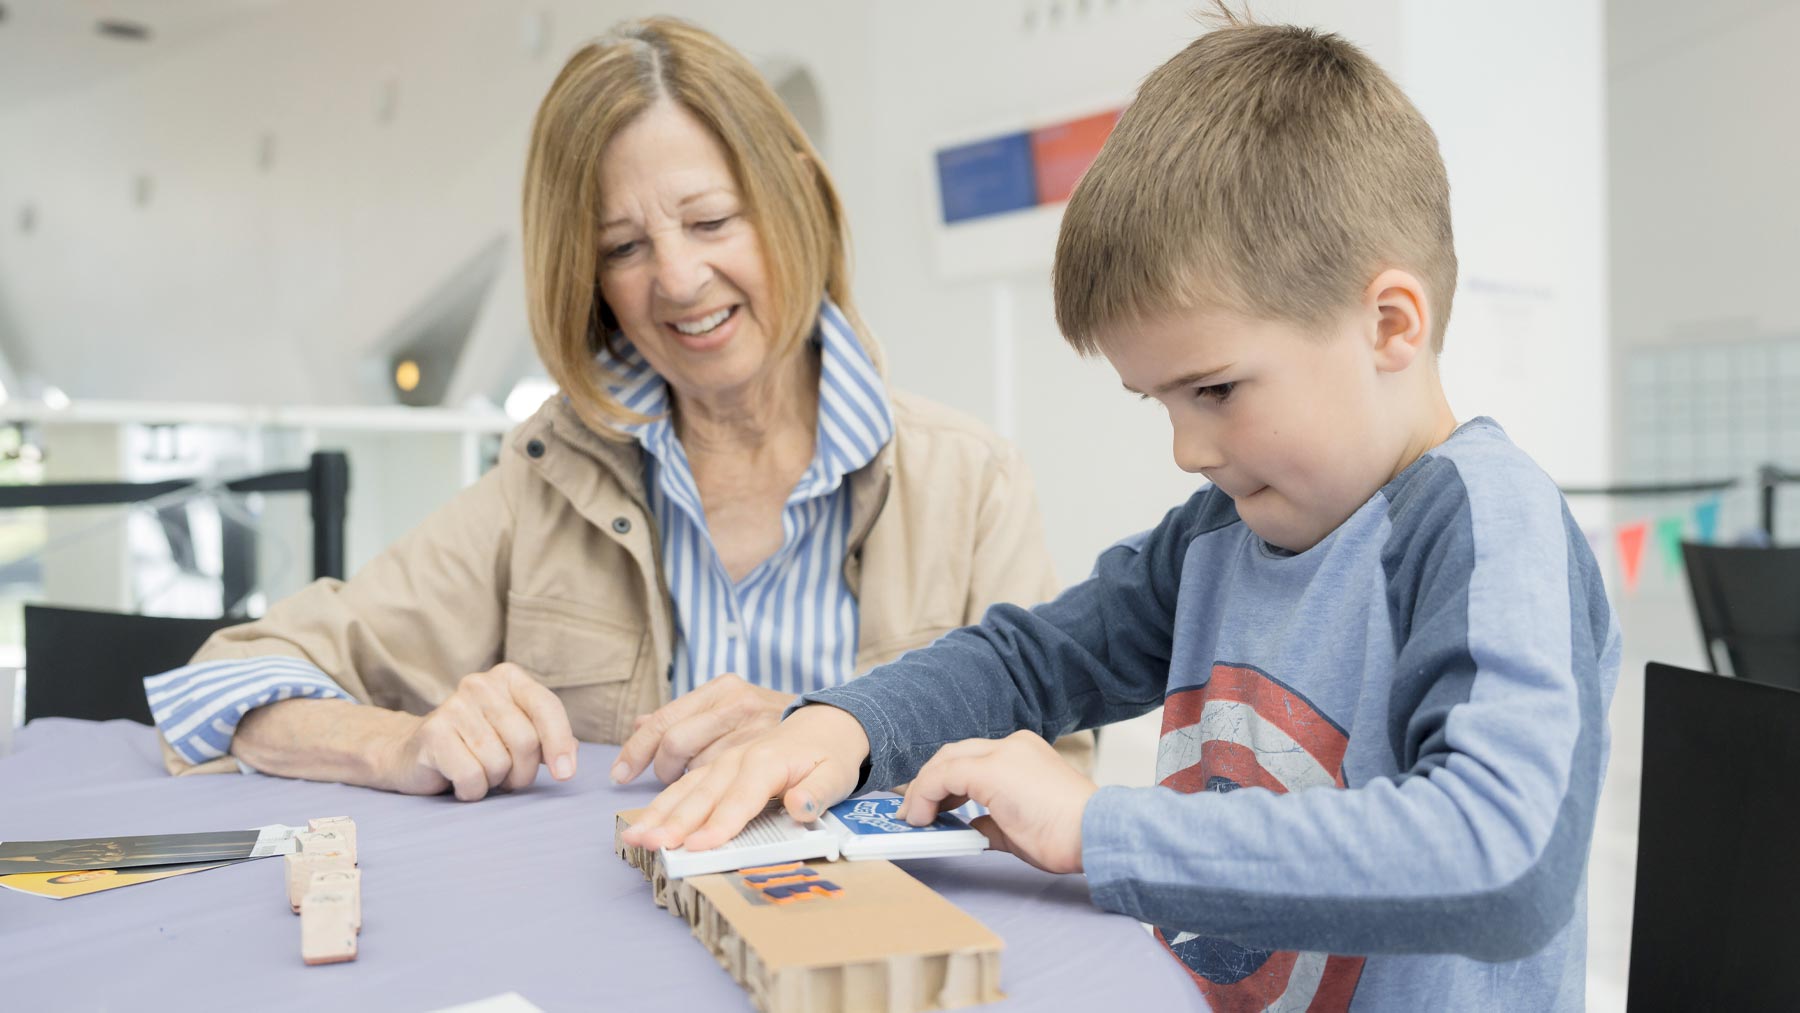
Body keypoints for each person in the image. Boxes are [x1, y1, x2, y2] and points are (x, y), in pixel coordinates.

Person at [621, 10, 1620, 1011]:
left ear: (1390, 323)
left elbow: (1506, 856)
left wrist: (1100, 828)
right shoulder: (1222, 531)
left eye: (1217, 390)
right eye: (1164, 404)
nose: (1188, 449)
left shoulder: (1488, 526)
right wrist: (847, 722)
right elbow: (1032, 658)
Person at [141, 17, 1088, 799]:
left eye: (712, 220)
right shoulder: (545, 478)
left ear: (797, 202)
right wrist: (402, 744)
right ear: (588, 280)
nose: (678, 279)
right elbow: (225, 680)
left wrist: (835, 733)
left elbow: (1051, 785)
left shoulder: (971, 482)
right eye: (624, 247)